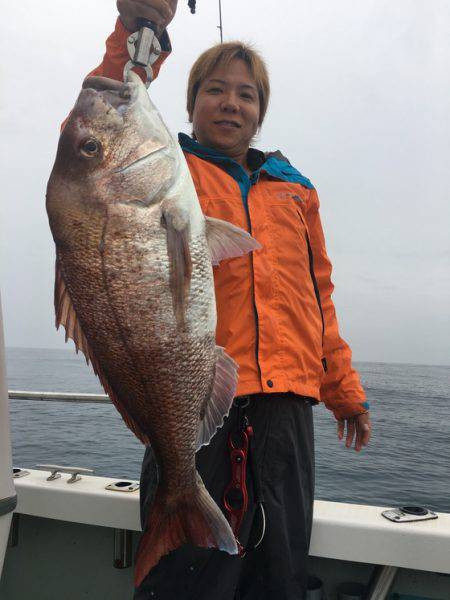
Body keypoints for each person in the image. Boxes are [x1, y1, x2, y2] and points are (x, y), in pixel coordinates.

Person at [87, 1, 372, 598]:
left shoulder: (297, 190)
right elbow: (111, 102)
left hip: (289, 411)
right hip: (199, 406)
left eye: (246, 95)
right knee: (193, 580)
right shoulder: (169, 168)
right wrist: (140, 29)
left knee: (280, 575)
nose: (230, 103)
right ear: (190, 105)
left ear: (260, 112)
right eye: (215, 90)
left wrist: (342, 390)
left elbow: (318, 298)